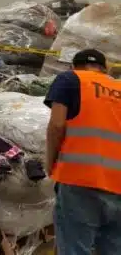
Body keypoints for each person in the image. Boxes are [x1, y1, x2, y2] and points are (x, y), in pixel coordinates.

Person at [44, 49, 121, 255]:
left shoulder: (69, 79)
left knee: (75, 248)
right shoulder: (119, 86)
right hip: (118, 185)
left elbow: (56, 126)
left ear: (73, 66)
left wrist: (50, 162)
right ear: (105, 69)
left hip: (80, 180)